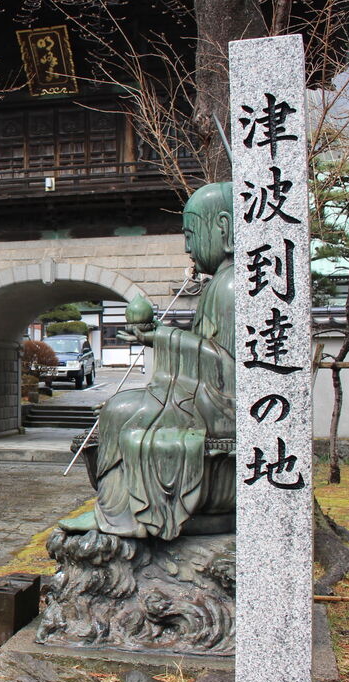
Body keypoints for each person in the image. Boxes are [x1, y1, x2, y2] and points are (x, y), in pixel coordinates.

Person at [60, 182, 237, 540]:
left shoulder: (232, 285)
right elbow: (207, 348)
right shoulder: (219, 283)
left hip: (219, 405)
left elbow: (228, 371)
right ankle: (118, 508)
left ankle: (121, 512)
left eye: (191, 234)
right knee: (118, 406)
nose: (187, 247)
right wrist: (164, 335)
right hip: (196, 395)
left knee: (120, 411)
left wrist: (160, 336)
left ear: (223, 226)